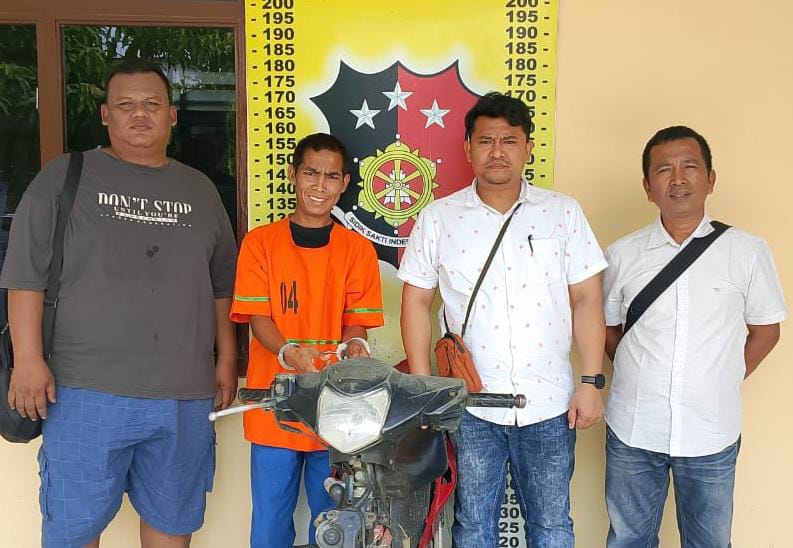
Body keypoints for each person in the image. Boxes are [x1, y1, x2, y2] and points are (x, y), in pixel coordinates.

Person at [0, 58, 238, 547]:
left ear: (172, 115)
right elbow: (26, 276)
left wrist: (227, 360)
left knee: (173, 524)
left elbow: (221, 286)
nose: (139, 114)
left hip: (183, 392)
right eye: (125, 105)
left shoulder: (199, 189)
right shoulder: (65, 176)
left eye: (152, 104)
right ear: (106, 115)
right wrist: (27, 361)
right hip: (84, 389)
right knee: (74, 530)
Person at [399, 92, 608, 547]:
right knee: (474, 525)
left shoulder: (562, 212)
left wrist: (591, 382)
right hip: (470, 405)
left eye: (509, 141)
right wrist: (424, 389)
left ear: (528, 148)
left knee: (552, 525)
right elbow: (416, 301)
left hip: (550, 403)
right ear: (468, 148)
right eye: (486, 140)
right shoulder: (439, 218)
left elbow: (588, 299)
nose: (497, 151)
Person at [602, 126, 787, 547]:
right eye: (663, 170)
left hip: (711, 429)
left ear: (711, 179)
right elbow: (608, 329)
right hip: (634, 427)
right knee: (629, 540)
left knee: (709, 542)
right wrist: (640, 372)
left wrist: (721, 377)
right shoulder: (622, 254)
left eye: (690, 166)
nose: (678, 179)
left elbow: (766, 330)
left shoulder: (746, 251)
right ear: (648, 187)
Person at [230, 133, 384, 547]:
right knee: (269, 525)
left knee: (333, 526)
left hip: (336, 410)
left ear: (344, 183)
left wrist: (356, 347)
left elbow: (357, 323)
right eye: (311, 173)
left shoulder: (357, 250)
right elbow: (257, 317)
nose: (320, 185)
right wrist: (288, 352)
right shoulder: (260, 243)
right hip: (273, 405)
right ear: (293, 175)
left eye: (331, 177)